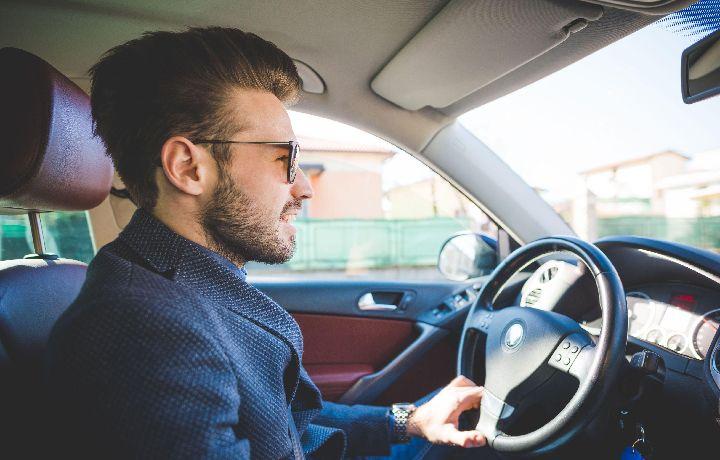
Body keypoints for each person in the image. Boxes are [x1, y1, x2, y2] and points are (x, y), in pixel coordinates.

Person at [45, 27, 489, 459]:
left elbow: (279, 423)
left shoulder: (179, 286)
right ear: (188, 168)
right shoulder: (144, 328)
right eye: (284, 158)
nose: (304, 188)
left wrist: (408, 421)